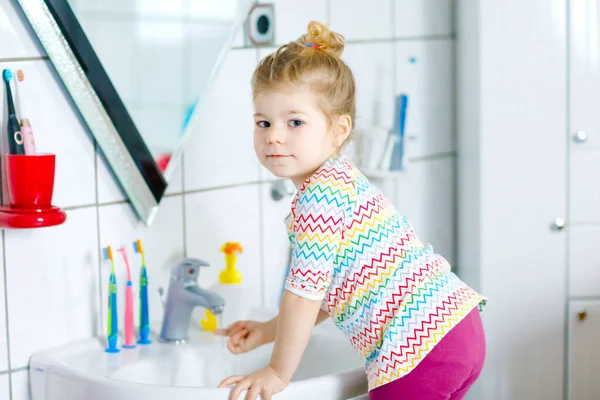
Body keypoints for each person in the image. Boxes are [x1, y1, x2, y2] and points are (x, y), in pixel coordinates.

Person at [216, 20, 487, 400]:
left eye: (294, 122)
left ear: (339, 129)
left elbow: (304, 294)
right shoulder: (340, 180)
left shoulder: (318, 199)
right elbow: (334, 290)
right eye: (264, 122)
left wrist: (278, 371)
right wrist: (266, 331)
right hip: (456, 327)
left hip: (418, 347)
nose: (274, 135)